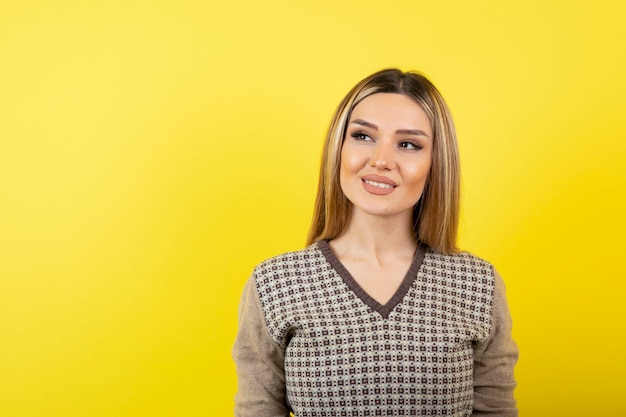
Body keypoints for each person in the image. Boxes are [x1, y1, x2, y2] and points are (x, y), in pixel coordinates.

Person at [233, 68, 518, 416]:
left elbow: (496, 410)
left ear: (435, 163)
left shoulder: (477, 284)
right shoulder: (274, 284)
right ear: (338, 148)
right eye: (363, 136)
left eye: (408, 144)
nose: (381, 160)